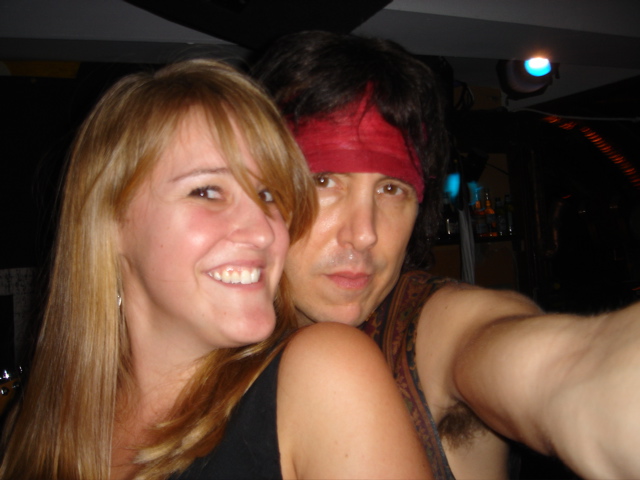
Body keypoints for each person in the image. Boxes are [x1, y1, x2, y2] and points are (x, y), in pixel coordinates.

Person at [0, 58, 432, 480]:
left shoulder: (324, 374)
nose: (264, 231)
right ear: (111, 224)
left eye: (268, 195)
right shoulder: (31, 425)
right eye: (207, 191)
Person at [253, 30, 640, 480]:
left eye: (392, 188)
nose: (364, 234)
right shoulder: (216, 341)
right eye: (324, 181)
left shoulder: (429, 330)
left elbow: (559, 369)